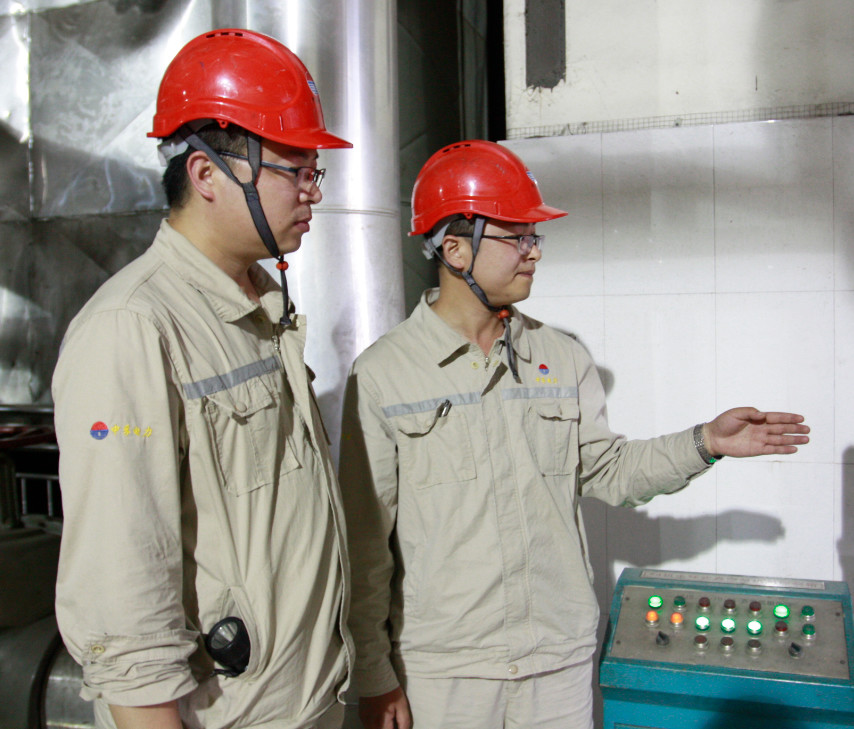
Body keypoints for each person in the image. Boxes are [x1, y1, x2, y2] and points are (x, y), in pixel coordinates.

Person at [338, 140, 810, 729]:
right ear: (454, 248)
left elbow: (609, 471)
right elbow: (364, 542)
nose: (534, 252)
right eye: (517, 237)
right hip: (445, 674)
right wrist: (375, 674)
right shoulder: (384, 373)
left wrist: (706, 443)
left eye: (535, 237)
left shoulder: (560, 358)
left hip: (555, 666)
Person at [52, 29, 354, 729]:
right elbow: (122, 586)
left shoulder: (261, 308)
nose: (312, 191)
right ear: (206, 172)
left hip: (309, 704)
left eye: (315, 170)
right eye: (294, 169)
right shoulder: (133, 327)